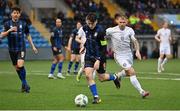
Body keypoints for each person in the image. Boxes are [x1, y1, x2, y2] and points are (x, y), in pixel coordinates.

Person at [77, 13, 120, 104]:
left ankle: (114, 77)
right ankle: (96, 97)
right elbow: (88, 39)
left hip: (100, 56)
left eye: (92, 23)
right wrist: (84, 46)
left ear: (96, 21)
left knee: (101, 78)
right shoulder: (85, 28)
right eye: (89, 23)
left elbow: (104, 47)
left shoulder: (100, 31)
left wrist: (98, 60)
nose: (90, 25)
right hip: (88, 55)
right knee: (88, 75)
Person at [106, 14, 149, 98]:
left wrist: (137, 51)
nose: (122, 23)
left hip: (128, 54)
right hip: (119, 56)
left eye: (124, 22)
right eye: (120, 22)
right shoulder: (111, 30)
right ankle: (142, 92)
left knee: (127, 72)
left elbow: (135, 41)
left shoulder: (130, 30)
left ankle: (117, 75)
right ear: (117, 21)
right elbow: (100, 35)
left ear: (126, 22)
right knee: (132, 71)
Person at [0, 6, 38, 93]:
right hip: (12, 49)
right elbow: (1, 35)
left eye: (17, 13)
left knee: (20, 65)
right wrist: (9, 30)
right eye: (14, 13)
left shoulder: (24, 24)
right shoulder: (7, 24)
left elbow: (28, 35)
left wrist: (33, 46)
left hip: (21, 48)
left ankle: (25, 85)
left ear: (19, 14)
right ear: (11, 14)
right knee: (17, 68)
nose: (16, 14)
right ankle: (24, 84)